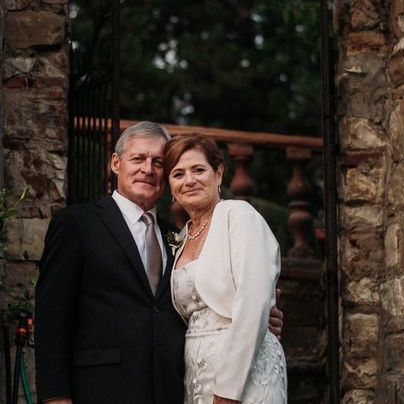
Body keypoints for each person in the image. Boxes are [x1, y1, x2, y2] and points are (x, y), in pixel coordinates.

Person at [34, 121, 282, 404]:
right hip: (100, 389)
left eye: (158, 162)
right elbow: (52, 315)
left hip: (172, 388)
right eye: (138, 158)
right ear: (116, 163)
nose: (148, 169)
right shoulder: (76, 224)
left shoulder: (177, 236)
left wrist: (262, 316)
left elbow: (206, 299)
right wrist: (56, 397)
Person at [165, 133, 287, 404]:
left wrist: (228, 391)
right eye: (178, 174)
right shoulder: (181, 237)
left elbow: (253, 302)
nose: (189, 180)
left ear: (218, 174)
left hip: (244, 373)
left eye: (199, 170)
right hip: (196, 374)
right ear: (170, 185)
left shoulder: (239, 215)